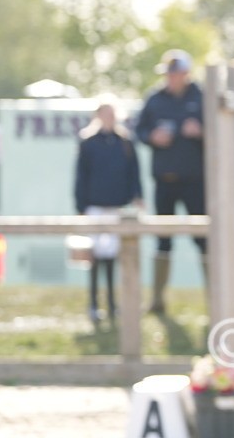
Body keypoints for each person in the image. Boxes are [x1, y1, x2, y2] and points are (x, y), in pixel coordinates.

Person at [136, 49, 206, 314]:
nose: (171, 78)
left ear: (186, 73)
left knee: (204, 238)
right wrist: (152, 137)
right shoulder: (154, 99)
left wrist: (201, 132)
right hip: (164, 180)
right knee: (163, 239)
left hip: (195, 181)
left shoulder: (202, 97)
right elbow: (139, 130)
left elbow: (220, 132)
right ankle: (157, 299)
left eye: (176, 73)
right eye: (168, 73)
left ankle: (215, 296)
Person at [74, 100, 143, 322]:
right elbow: (81, 175)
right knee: (95, 256)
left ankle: (113, 304)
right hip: (95, 205)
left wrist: (137, 195)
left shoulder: (124, 142)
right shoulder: (88, 142)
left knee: (112, 255)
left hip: (116, 206)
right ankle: (94, 304)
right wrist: (80, 205)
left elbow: (134, 172)